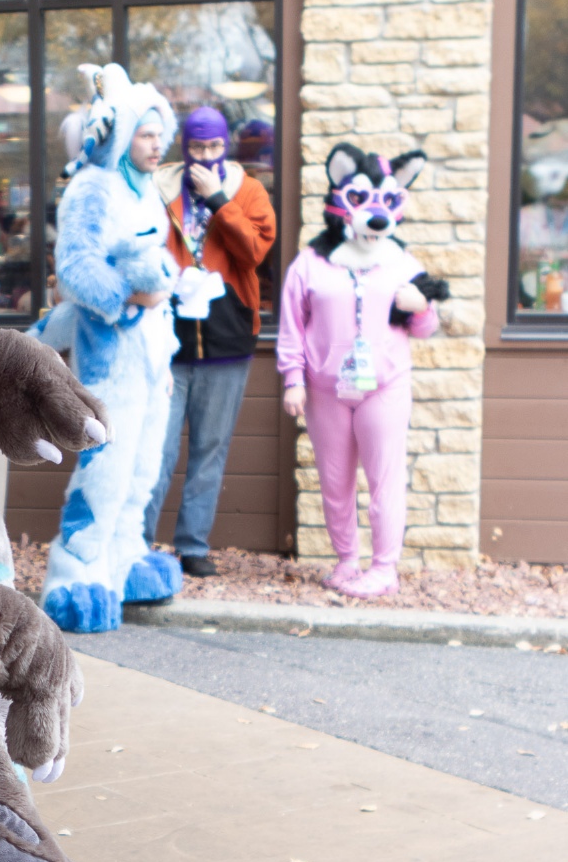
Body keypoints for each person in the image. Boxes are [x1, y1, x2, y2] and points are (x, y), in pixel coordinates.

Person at [39, 62, 183, 631]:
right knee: (106, 468)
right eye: (145, 135)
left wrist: (160, 339)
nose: (156, 145)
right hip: (110, 354)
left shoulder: (145, 188)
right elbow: (75, 266)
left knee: (142, 468)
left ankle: (123, 560)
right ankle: (74, 574)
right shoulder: (93, 187)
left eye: (159, 134)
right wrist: (128, 300)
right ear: (124, 135)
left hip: (150, 356)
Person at [277, 141, 447, 599]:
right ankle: (347, 561)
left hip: (385, 387)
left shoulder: (403, 263)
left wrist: (421, 306)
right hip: (325, 389)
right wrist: (293, 378)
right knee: (335, 481)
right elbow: (292, 324)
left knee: (384, 479)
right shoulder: (310, 263)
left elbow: (425, 328)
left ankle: (385, 568)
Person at [144, 106, 276, 577]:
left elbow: (255, 251)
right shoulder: (157, 188)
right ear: (185, 147)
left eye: (214, 146)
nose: (205, 155)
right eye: (197, 147)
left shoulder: (249, 190)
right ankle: (136, 543)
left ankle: (193, 545)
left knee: (209, 449)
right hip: (166, 338)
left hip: (227, 339)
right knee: (155, 450)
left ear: (226, 146)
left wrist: (219, 199)